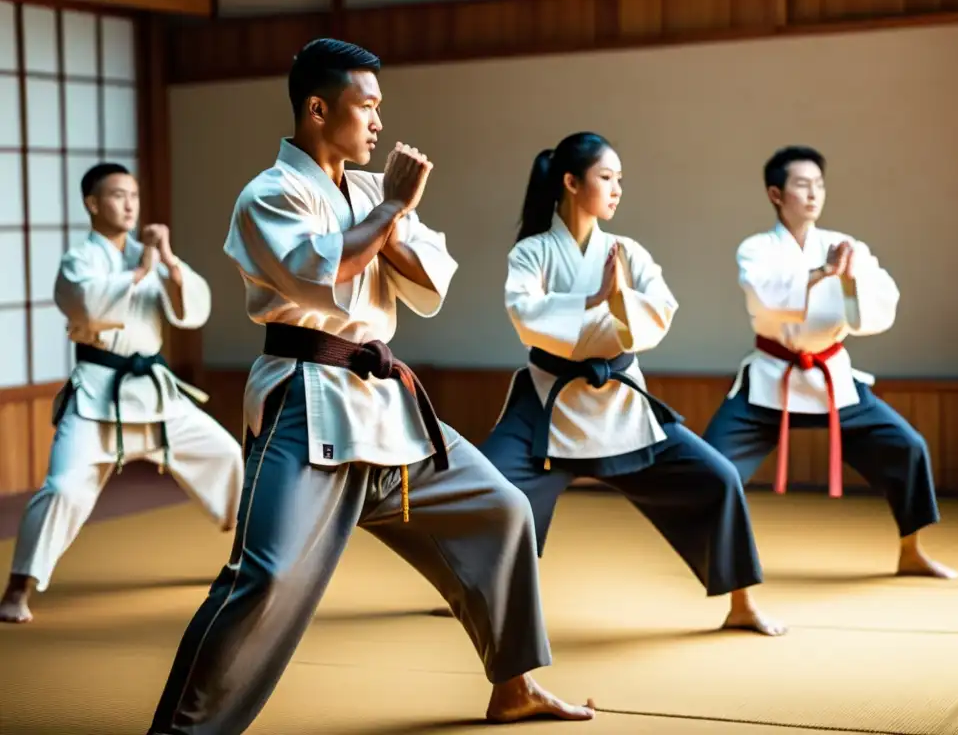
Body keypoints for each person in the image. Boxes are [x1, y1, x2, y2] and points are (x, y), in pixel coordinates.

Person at [145, 39, 594, 735]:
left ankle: (515, 684)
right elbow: (315, 278)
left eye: (381, 107)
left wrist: (385, 216)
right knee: (263, 579)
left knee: (502, 511)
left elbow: (429, 282)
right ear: (319, 109)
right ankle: (181, 730)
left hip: (386, 405)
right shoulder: (269, 194)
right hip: (305, 403)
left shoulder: (364, 190)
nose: (380, 122)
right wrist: (391, 212)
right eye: (367, 106)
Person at [472, 131, 784, 637]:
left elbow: (660, 313)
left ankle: (742, 604)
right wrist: (597, 301)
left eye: (620, 180)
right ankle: (473, 588)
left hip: (620, 402)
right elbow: (526, 316)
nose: (617, 189)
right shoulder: (532, 253)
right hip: (550, 401)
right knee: (488, 490)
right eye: (606, 178)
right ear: (571, 182)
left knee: (719, 478)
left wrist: (618, 302)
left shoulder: (628, 252)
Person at [0, 163, 244, 625]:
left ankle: (244, 558)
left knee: (227, 456)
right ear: (93, 204)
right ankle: (18, 587)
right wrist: (138, 273)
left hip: (156, 395)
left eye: (133, 194)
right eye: (117, 195)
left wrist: (167, 261)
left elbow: (191, 308)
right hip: (98, 396)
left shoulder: (148, 255)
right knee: (63, 488)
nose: (129, 204)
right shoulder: (80, 261)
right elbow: (86, 305)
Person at [702, 145, 956, 579]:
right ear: (776, 194)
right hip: (771, 375)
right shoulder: (757, 248)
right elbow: (765, 294)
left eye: (819, 185)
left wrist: (853, 278)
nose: (813, 194)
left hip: (831, 377)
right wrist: (821, 273)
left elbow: (875, 305)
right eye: (802, 185)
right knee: (713, 465)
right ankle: (715, 560)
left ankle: (912, 550)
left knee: (907, 447)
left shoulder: (846, 246)